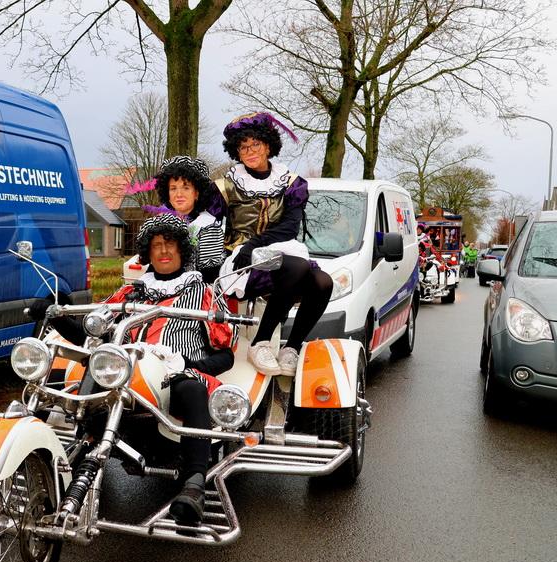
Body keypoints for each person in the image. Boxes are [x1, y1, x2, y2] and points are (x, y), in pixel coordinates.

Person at [30, 214, 234, 526]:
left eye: (170, 244)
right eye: (156, 245)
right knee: (68, 381)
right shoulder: (128, 293)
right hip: (124, 375)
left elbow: (226, 356)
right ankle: (40, 464)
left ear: (182, 249)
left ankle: (194, 487)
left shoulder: (203, 292)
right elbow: (90, 336)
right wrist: (55, 316)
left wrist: (187, 364)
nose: (163, 250)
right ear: (147, 252)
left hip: (175, 376)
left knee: (194, 390)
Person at [210, 112, 333, 376]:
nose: (250, 151)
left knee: (323, 283)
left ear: (268, 145)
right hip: (241, 261)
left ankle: (292, 347)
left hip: (279, 252)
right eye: (243, 147)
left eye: (255, 144)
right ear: (236, 151)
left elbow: (290, 227)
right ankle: (260, 342)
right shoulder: (227, 185)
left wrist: (255, 244)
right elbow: (203, 217)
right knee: (297, 268)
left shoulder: (290, 183)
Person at [149, 156, 226, 283]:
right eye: (173, 188)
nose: (179, 194)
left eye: (186, 187)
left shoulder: (208, 227)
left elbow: (210, 277)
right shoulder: (162, 224)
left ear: (197, 193)